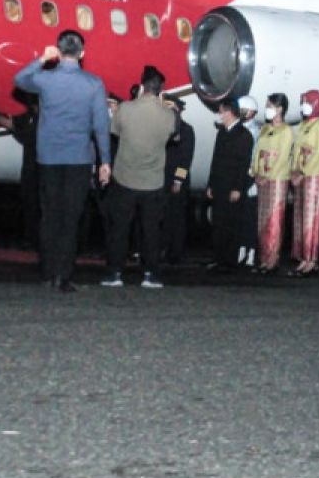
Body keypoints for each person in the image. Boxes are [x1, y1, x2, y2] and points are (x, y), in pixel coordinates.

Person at [14, 30, 112, 292]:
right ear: (83, 53)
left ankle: (47, 272)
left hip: (48, 158)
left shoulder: (46, 80)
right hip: (78, 158)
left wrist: (42, 59)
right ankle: (64, 276)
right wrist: (105, 160)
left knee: (49, 217)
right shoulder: (93, 84)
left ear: (58, 51)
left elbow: (20, 79)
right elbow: (101, 125)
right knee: (71, 218)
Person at [100, 66, 177, 288]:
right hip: (153, 182)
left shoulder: (125, 109)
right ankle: (151, 274)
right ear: (161, 90)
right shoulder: (168, 115)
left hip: (125, 178)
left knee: (120, 229)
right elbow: (173, 135)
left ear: (142, 87)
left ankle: (114, 273)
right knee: (151, 231)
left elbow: (114, 131)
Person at [0, 92, 40, 251]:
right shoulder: (29, 117)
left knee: (43, 206)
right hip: (31, 168)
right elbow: (11, 123)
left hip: (46, 168)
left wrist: (18, 131)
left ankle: (41, 239)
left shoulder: (50, 119)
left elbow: (21, 132)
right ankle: (31, 239)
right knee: (29, 203)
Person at [206, 97, 254, 271]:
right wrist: (210, 184)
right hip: (219, 185)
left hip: (233, 187)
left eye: (221, 111)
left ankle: (230, 260)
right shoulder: (222, 133)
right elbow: (215, 160)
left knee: (232, 223)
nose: (219, 114)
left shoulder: (243, 135)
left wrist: (237, 188)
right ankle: (218, 258)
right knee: (218, 223)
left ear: (230, 112)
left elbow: (243, 165)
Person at [288, 89, 319, 277]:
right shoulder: (305, 125)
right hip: (302, 175)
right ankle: (304, 257)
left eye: (307, 101)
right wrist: (294, 170)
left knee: (312, 218)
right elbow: (297, 149)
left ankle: (312, 260)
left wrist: (303, 172)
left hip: (314, 174)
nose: (304, 104)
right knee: (302, 218)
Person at [252, 93, 294, 274]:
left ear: (280, 109)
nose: (267, 109)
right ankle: (263, 258)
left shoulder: (286, 130)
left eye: (270, 106)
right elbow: (257, 152)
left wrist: (268, 175)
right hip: (263, 178)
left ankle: (272, 260)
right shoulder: (264, 129)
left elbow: (283, 156)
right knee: (262, 218)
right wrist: (256, 173)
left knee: (274, 219)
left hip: (277, 178)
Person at [161, 95, 195, 265]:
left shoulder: (186, 130)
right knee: (164, 217)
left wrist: (178, 181)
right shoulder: (162, 130)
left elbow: (185, 159)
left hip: (176, 181)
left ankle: (176, 253)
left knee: (177, 218)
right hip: (162, 179)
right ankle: (165, 248)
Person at [236, 95, 261, 268]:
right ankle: (241, 249)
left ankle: (251, 252)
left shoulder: (256, 131)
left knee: (250, 218)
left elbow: (255, 155)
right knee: (240, 217)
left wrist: (253, 176)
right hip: (239, 177)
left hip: (250, 177)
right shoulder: (237, 130)